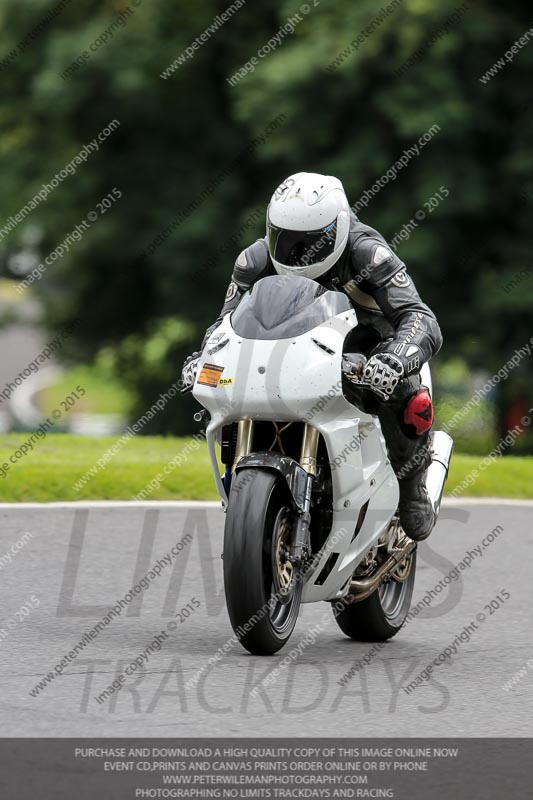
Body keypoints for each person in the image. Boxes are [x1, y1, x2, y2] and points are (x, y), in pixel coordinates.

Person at [181, 173, 442, 540]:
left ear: (339, 229)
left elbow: (419, 316)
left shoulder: (368, 253)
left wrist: (396, 358)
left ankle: (413, 489)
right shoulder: (253, 261)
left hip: (367, 346)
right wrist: (205, 355)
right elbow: (224, 324)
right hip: (290, 350)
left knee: (410, 398)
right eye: (285, 241)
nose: (297, 254)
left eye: (312, 243)